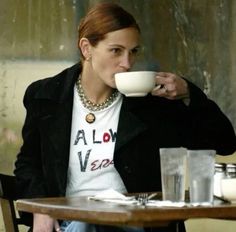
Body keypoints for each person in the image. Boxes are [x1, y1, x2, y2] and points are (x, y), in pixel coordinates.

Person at [14, 2, 236, 232]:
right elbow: (27, 165)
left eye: (133, 52)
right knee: (86, 224)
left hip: (134, 224)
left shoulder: (151, 104)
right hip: (69, 222)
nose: (127, 63)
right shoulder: (47, 96)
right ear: (86, 48)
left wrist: (190, 94)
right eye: (116, 50)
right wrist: (41, 209)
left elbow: (223, 142)